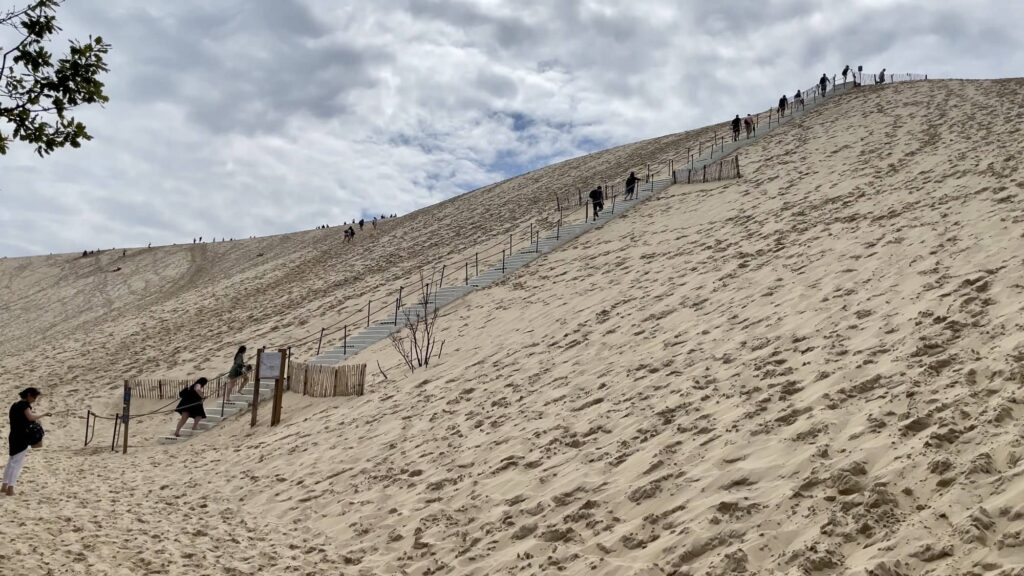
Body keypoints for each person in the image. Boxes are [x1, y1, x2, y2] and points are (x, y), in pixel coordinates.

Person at [4, 387, 46, 496]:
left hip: (13, 435)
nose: (35, 399)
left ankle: (4, 486)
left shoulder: (14, 405)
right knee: (16, 463)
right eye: (34, 396)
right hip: (21, 437)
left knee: (11, 461)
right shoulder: (24, 405)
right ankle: (10, 488)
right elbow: (30, 417)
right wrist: (43, 415)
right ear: (28, 395)